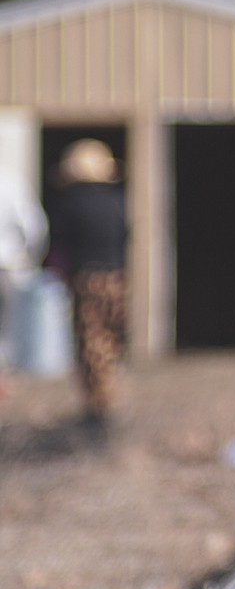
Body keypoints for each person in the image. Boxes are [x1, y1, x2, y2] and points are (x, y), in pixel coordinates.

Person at [51, 139, 128, 438]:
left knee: (92, 343)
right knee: (112, 341)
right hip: (116, 277)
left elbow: (61, 245)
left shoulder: (71, 204)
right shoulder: (116, 202)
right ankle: (111, 399)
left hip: (87, 278)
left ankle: (100, 408)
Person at [0, 157, 49, 400]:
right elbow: (34, 226)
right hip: (8, 263)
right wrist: (30, 258)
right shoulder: (10, 181)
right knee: (7, 327)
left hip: (8, 264)